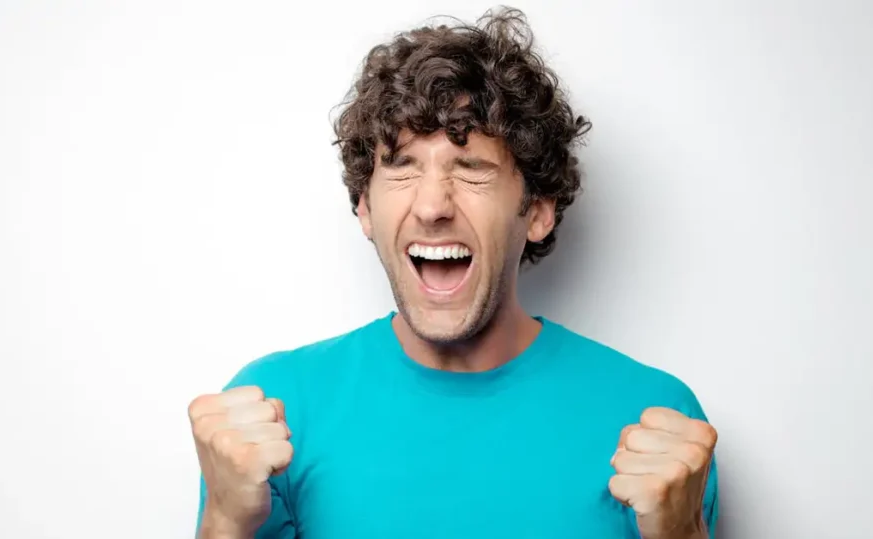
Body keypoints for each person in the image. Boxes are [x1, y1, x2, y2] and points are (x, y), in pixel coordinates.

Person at [188, 7, 719, 539]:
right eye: (401, 167)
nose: (432, 206)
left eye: (472, 170)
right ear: (365, 209)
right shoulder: (274, 412)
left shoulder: (655, 424)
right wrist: (226, 521)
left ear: (537, 211)